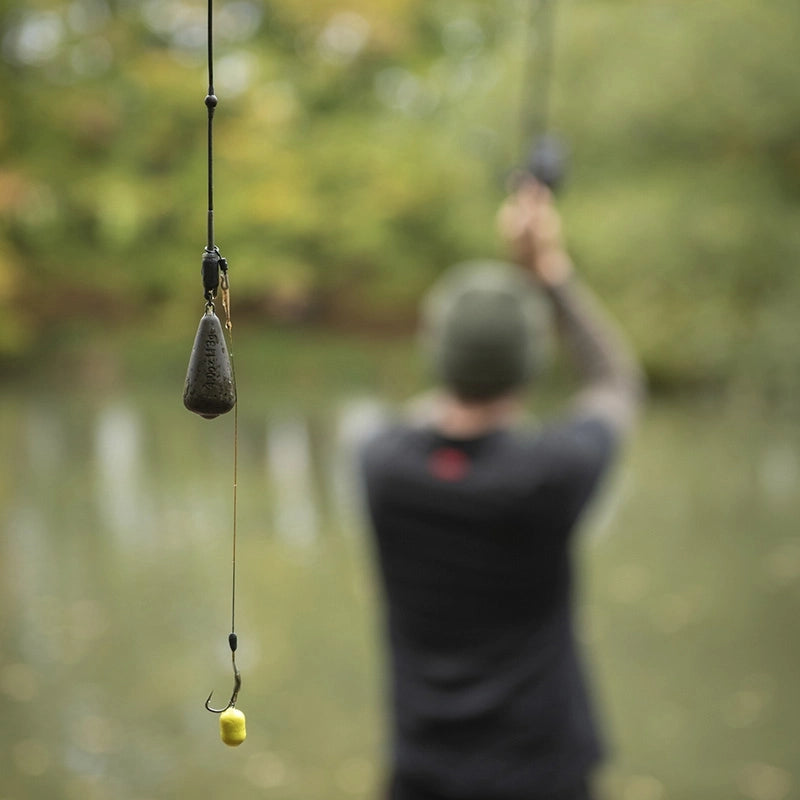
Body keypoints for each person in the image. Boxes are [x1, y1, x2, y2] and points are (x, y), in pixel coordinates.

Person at [359, 180, 644, 800]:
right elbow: (616, 383)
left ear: (437, 356)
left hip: (423, 776)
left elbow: (429, 413)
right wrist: (550, 273)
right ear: (530, 365)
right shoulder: (552, 473)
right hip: (545, 777)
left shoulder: (383, 466)